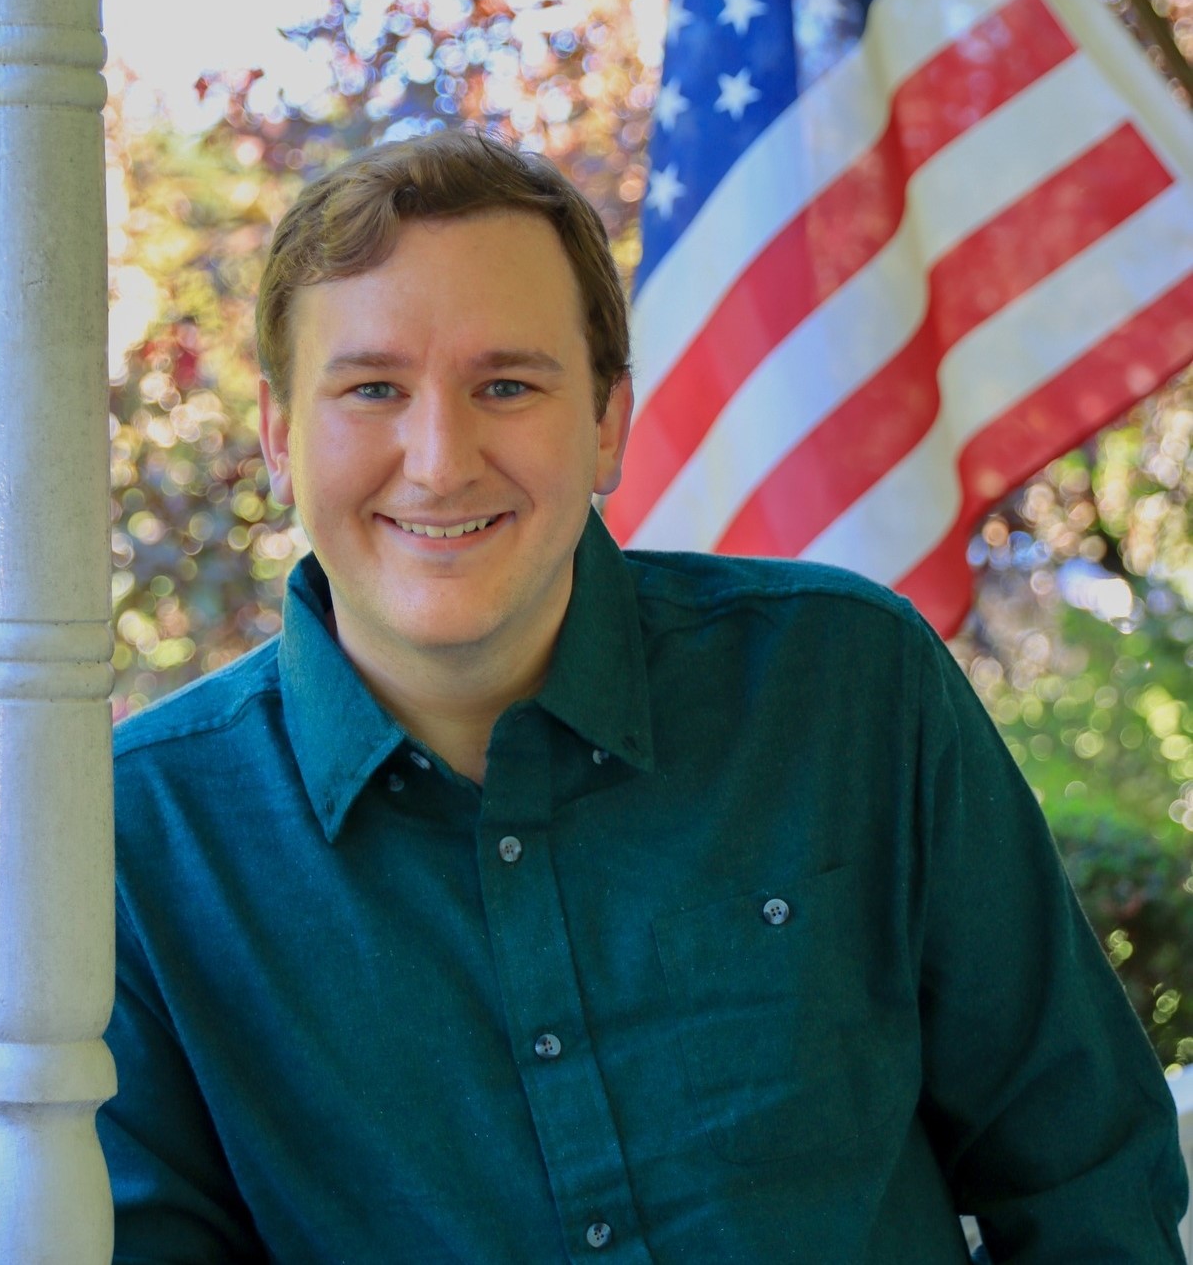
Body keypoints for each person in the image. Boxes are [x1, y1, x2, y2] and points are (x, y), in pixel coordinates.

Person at [98, 129, 1188, 1263]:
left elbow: (1085, 1175)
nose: (439, 459)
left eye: (506, 385)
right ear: (280, 436)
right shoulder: (142, 840)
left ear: (608, 424)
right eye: (373, 388)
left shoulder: (849, 687)